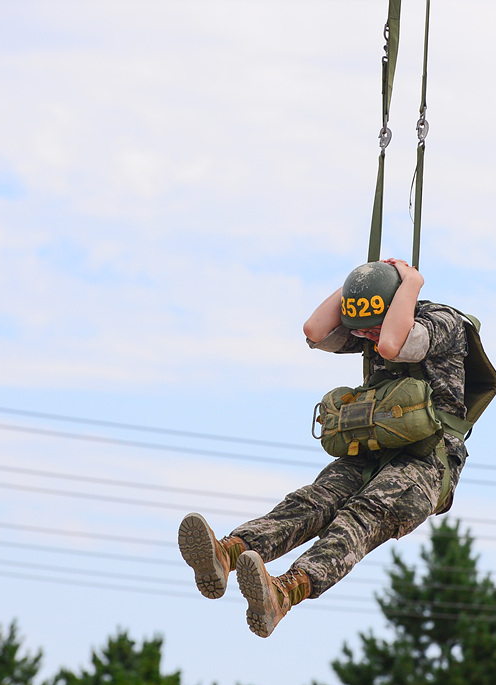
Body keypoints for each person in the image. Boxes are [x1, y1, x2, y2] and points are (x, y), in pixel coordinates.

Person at [178, 258, 469, 638]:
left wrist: (409, 280)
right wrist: (358, 284)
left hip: (429, 462)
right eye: (361, 331)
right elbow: (315, 330)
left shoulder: (443, 322)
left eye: (371, 327)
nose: (366, 338)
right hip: (376, 449)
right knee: (312, 500)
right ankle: (228, 552)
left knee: (361, 516)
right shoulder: (372, 327)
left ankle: (284, 592)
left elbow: (393, 344)